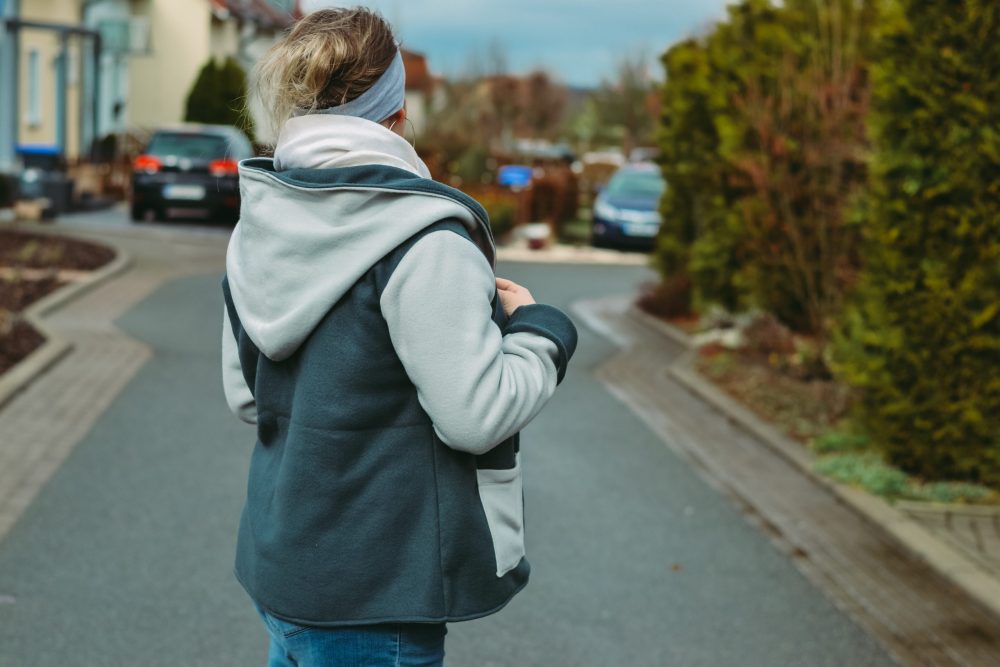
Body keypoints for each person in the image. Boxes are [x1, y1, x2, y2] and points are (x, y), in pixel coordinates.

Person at [220, 7, 578, 667]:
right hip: (373, 597)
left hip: (283, 572)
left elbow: (247, 396)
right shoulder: (421, 238)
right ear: (397, 113)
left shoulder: (264, 215)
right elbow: (476, 416)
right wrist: (541, 330)